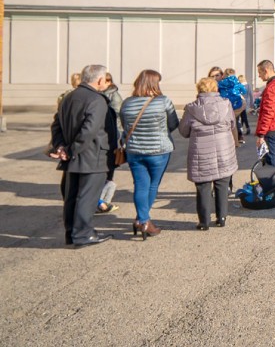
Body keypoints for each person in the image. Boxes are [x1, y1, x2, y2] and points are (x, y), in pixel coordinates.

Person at [49, 64, 116, 247]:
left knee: (72, 196)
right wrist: (70, 150)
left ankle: (72, 233)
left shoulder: (69, 97)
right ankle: (84, 234)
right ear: (100, 80)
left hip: (74, 156)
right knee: (87, 197)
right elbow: (90, 130)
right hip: (92, 156)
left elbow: (56, 126)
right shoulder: (97, 100)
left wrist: (61, 146)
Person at [120, 69, 180, 240]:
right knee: (153, 185)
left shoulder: (127, 103)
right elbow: (174, 123)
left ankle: (142, 219)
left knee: (140, 185)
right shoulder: (163, 101)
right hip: (159, 150)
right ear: (154, 84)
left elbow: (124, 126)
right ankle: (144, 220)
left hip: (134, 150)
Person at [179, 77, 239, 230]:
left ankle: (204, 222)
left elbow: (184, 131)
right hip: (224, 149)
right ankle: (222, 217)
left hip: (201, 152)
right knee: (222, 184)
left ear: (199, 90)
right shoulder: (226, 104)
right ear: (215, 89)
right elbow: (232, 124)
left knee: (203, 186)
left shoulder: (191, 108)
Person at [96, 72, 123, 214]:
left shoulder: (114, 95)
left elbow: (118, 115)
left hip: (113, 134)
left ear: (109, 82)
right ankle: (100, 200)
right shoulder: (97, 95)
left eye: (105, 81)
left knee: (108, 169)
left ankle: (103, 201)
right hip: (103, 135)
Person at [218, 68, 247, 144]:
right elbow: (244, 91)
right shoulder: (237, 82)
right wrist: (237, 92)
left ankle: (228, 141)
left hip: (225, 104)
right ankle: (236, 140)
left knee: (226, 122)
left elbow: (216, 89)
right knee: (235, 121)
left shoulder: (221, 83)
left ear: (224, 74)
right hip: (237, 104)